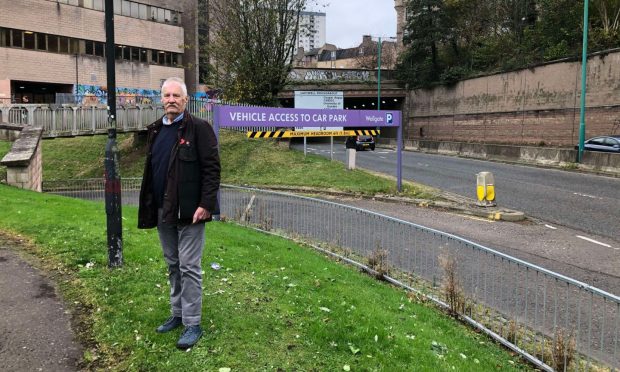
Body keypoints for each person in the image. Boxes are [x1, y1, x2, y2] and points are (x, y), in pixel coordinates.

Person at [138, 77, 221, 349]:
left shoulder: (199, 128)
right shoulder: (155, 131)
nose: (171, 99)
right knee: (173, 264)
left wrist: (206, 204)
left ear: (186, 100)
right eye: (167, 95)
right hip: (164, 210)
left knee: (189, 267)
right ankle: (178, 314)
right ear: (161, 99)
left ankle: (193, 323)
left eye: (176, 95)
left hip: (191, 212)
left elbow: (212, 169)